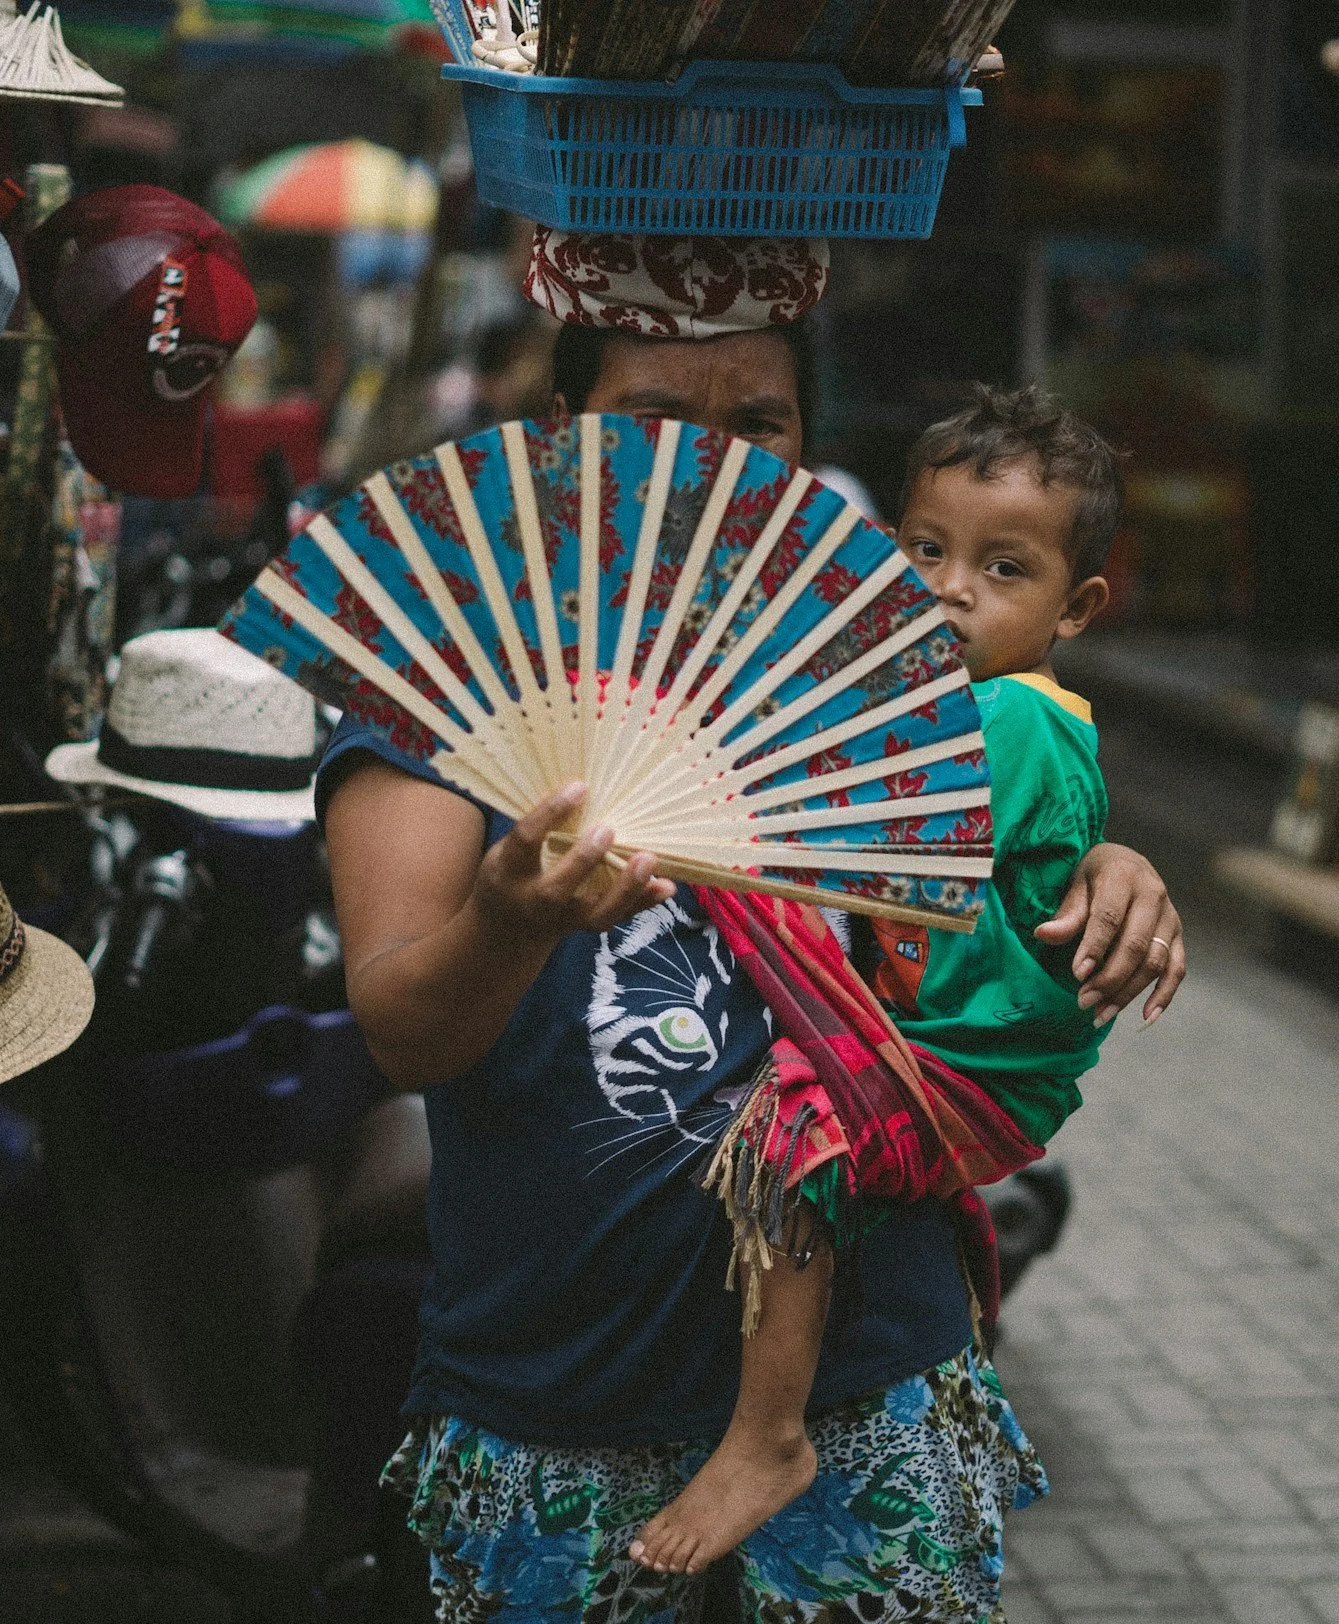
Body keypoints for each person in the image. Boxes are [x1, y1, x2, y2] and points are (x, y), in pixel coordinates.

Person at [324, 230, 1187, 1621]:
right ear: (567, 432)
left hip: (870, 1376)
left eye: (757, 424)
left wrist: (1115, 866)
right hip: (558, 1392)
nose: (710, 461)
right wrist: (506, 919)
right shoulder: (443, 672)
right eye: (656, 419)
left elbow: (1014, 818)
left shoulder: (872, 657)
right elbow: (406, 1027)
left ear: (804, 450)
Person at [628, 385, 1123, 1578]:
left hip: (973, 1047)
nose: (950, 589)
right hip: (929, 1028)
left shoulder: (1009, 716)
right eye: (925, 550)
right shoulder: (943, 702)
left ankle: (769, 1436)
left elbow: (867, 838)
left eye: (1003, 569)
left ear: (1077, 607)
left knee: (795, 1148)